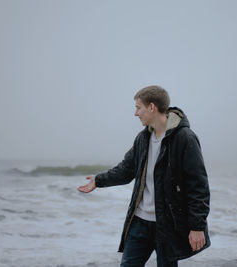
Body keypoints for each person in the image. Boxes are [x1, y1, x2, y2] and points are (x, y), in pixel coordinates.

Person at [77, 85, 210, 267]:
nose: (136, 113)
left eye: (138, 108)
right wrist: (99, 180)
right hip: (139, 223)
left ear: (152, 107)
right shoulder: (143, 139)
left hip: (168, 225)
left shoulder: (184, 138)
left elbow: (198, 185)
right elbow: (126, 170)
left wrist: (197, 226)